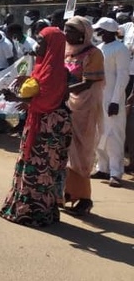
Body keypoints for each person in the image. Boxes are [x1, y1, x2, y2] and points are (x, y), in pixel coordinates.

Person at [0, 27, 71, 227]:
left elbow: (48, 101)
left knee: (41, 170)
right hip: (37, 122)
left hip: (50, 127)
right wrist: (26, 85)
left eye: (41, 42)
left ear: (52, 46)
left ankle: (35, 213)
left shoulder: (56, 71)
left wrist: (18, 98)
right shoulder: (41, 67)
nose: (37, 45)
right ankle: (23, 209)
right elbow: (37, 92)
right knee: (28, 164)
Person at [62, 16, 104, 216]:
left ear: (83, 34)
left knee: (81, 152)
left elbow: (88, 82)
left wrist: (64, 90)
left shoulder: (94, 54)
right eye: (65, 29)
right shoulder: (67, 52)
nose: (66, 34)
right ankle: (69, 192)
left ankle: (85, 198)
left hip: (85, 108)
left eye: (71, 30)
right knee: (67, 150)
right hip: (67, 105)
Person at [92, 18, 128, 188]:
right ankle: (102, 167)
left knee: (114, 135)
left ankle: (116, 172)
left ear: (108, 31)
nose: (98, 33)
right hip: (99, 96)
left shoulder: (120, 49)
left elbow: (122, 76)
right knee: (99, 133)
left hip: (113, 98)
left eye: (100, 30)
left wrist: (115, 100)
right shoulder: (99, 49)